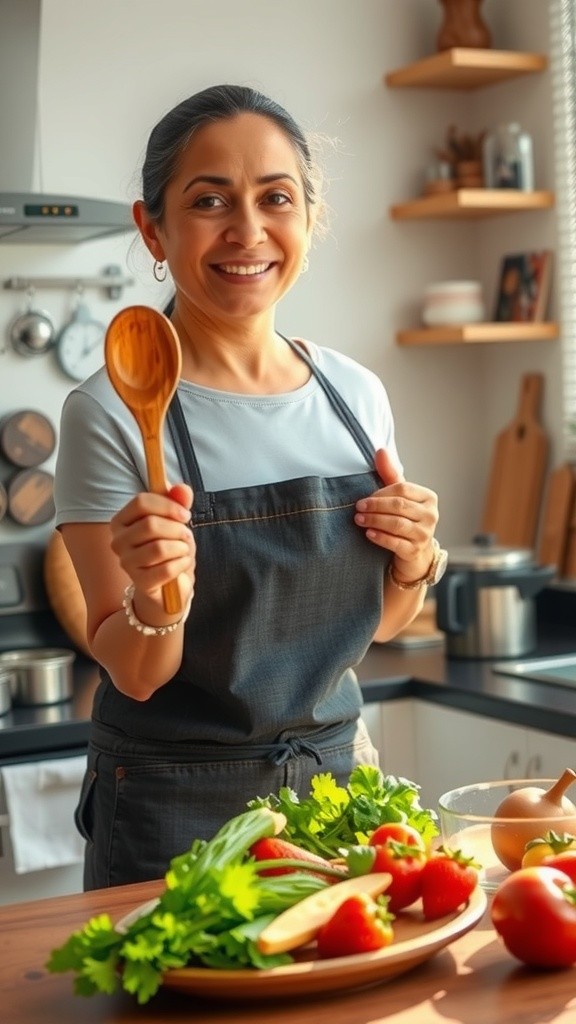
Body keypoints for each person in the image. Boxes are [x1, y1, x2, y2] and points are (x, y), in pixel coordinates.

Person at [54, 84, 443, 890]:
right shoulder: (112, 411)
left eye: (276, 198)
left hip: (339, 790)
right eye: (209, 201)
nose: (247, 232)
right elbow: (133, 671)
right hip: (177, 811)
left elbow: (368, 629)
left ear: (309, 218)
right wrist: (159, 598)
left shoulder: (355, 394)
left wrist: (412, 565)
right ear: (151, 227)